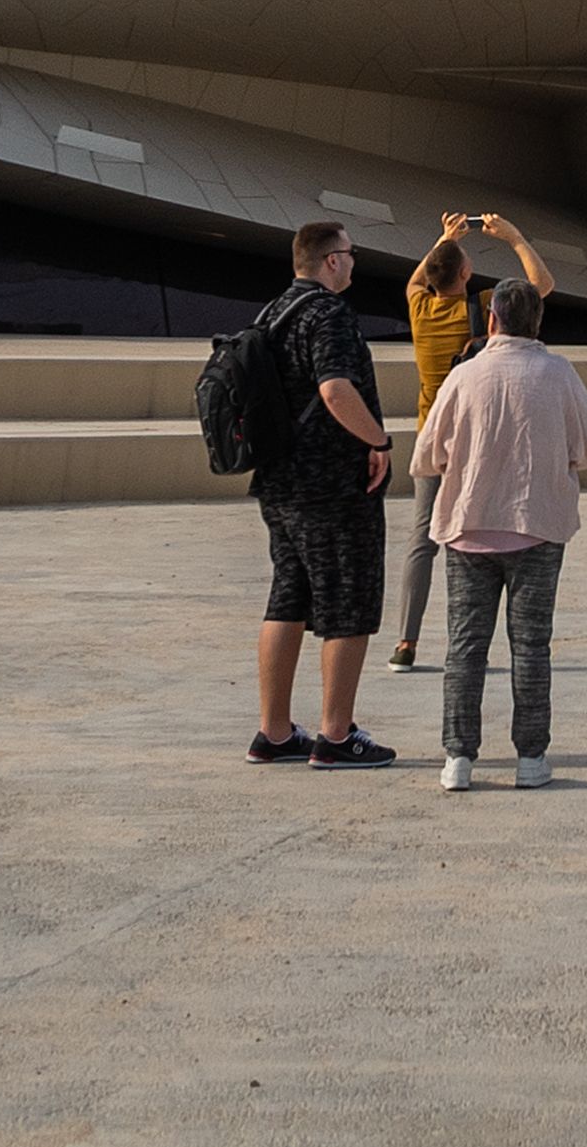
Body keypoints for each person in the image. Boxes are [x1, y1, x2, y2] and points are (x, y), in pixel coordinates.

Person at [402, 274, 587, 792]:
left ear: (491, 320)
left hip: (469, 529)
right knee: (532, 646)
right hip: (538, 527)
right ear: (537, 322)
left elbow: (425, 456)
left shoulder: (463, 377)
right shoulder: (559, 374)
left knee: (465, 648)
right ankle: (531, 759)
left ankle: (458, 759)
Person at [237, 221, 399, 767]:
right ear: (332, 261)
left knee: (288, 596)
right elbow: (334, 388)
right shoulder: (328, 314)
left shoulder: (273, 312)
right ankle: (335, 735)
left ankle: (274, 731)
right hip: (329, 483)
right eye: (350, 254)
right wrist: (378, 439)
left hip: (278, 480)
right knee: (348, 601)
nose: (354, 263)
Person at [386, 208, 550, 672]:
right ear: (466, 273)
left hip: (431, 437)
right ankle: (483, 642)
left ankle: (405, 642)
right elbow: (540, 287)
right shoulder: (480, 309)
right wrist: (515, 237)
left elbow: (417, 280)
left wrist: (443, 239)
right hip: (475, 442)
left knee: (422, 540)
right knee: (481, 541)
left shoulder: (420, 309)